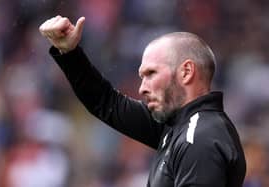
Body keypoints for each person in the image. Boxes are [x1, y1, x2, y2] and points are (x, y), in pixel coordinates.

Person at [39, 15, 246, 187]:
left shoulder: (199, 137)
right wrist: (69, 52)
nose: (142, 87)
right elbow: (106, 103)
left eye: (151, 73)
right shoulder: (177, 127)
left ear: (186, 72)